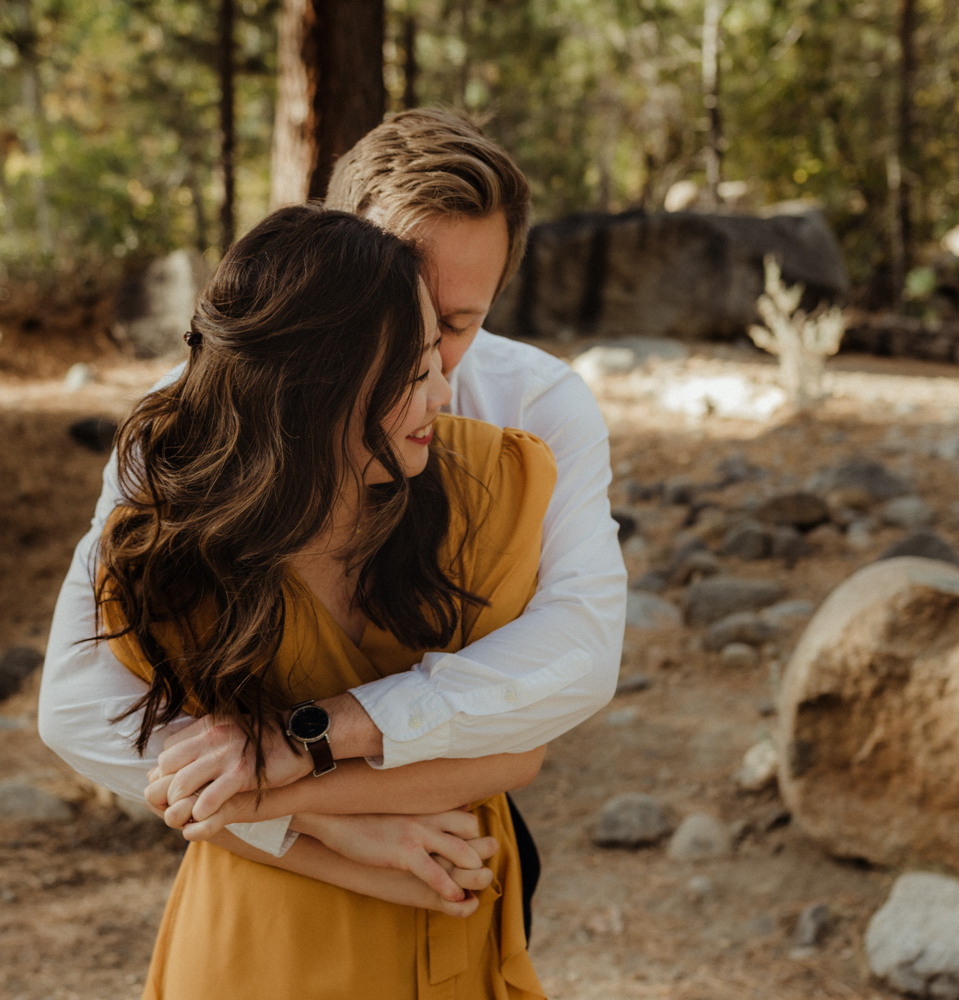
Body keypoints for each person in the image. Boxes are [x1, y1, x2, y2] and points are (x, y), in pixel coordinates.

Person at [39, 108, 627, 933]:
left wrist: (306, 738)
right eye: (399, 299)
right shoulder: (188, 422)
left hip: (459, 846)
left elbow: (578, 655)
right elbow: (77, 704)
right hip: (268, 879)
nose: (435, 362)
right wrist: (318, 824)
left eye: (460, 323)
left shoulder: (538, 408)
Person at [94, 204, 551, 997]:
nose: (447, 390)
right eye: (414, 374)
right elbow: (186, 794)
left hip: (447, 904)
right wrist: (347, 839)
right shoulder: (169, 552)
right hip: (254, 944)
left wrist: (281, 768)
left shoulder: (490, 489)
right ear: (321, 392)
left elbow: (518, 744)